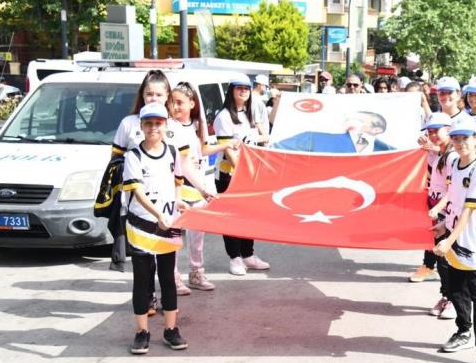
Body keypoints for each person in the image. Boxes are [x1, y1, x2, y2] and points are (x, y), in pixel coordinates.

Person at [430, 114, 476, 363]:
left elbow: (469, 210)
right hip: (453, 237)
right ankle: (463, 330)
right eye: (456, 138)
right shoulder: (455, 163)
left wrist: (449, 240)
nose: (460, 143)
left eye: (465, 138)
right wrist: (443, 222)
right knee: (455, 289)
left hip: (470, 241)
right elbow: (454, 198)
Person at [122, 103, 187, 354]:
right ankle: (142, 332)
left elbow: (178, 181)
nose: (153, 128)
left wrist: (178, 199)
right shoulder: (133, 156)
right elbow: (137, 192)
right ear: (141, 126)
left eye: (158, 123)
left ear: (165, 126)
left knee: (168, 278)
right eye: (148, 123)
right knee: (142, 280)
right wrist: (157, 213)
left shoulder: (172, 151)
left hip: (168, 223)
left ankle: (171, 329)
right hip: (141, 226)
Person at [168, 82, 234, 293]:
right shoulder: (170, 127)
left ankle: (196, 273)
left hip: (197, 187)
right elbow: (184, 165)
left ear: (192, 103)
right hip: (178, 188)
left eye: (180, 102)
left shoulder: (197, 125)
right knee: (175, 238)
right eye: (172, 102)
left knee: (197, 238)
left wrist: (226, 145)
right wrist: (204, 188)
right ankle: (173, 277)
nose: (175, 107)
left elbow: (203, 151)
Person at [109, 70, 171, 274]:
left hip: (166, 202)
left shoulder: (173, 125)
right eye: (149, 93)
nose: (153, 98)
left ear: (167, 96)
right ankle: (148, 297)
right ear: (142, 95)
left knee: (166, 256)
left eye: (159, 94)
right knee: (143, 259)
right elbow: (115, 159)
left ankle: (171, 287)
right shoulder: (128, 123)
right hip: (138, 201)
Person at [214, 77, 271, 276]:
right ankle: (235, 257)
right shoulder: (223, 117)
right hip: (229, 174)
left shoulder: (250, 114)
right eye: (239, 88)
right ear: (231, 91)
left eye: (246, 88)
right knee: (230, 217)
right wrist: (243, 172)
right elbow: (229, 150)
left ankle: (248, 255)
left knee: (249, 215)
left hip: (251, 173)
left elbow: (264, 137)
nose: (243, 91)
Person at [413, 113, 457, 322]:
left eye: (436, 131)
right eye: (429, 131)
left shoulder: (453, 156)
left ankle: (454, 301)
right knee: (441, 260)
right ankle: (446, 296)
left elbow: (453, 189)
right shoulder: (438, 153)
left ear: (448, 129)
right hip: (437, 210)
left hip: (449, 214)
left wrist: (438, 207)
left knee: (449, 260)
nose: (432, 135)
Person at [273, 111, 395, 153]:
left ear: (376, 130)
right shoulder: (313, 138)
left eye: (360, 120)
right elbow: (275, 149)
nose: (352, 122)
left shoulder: (387, 151)